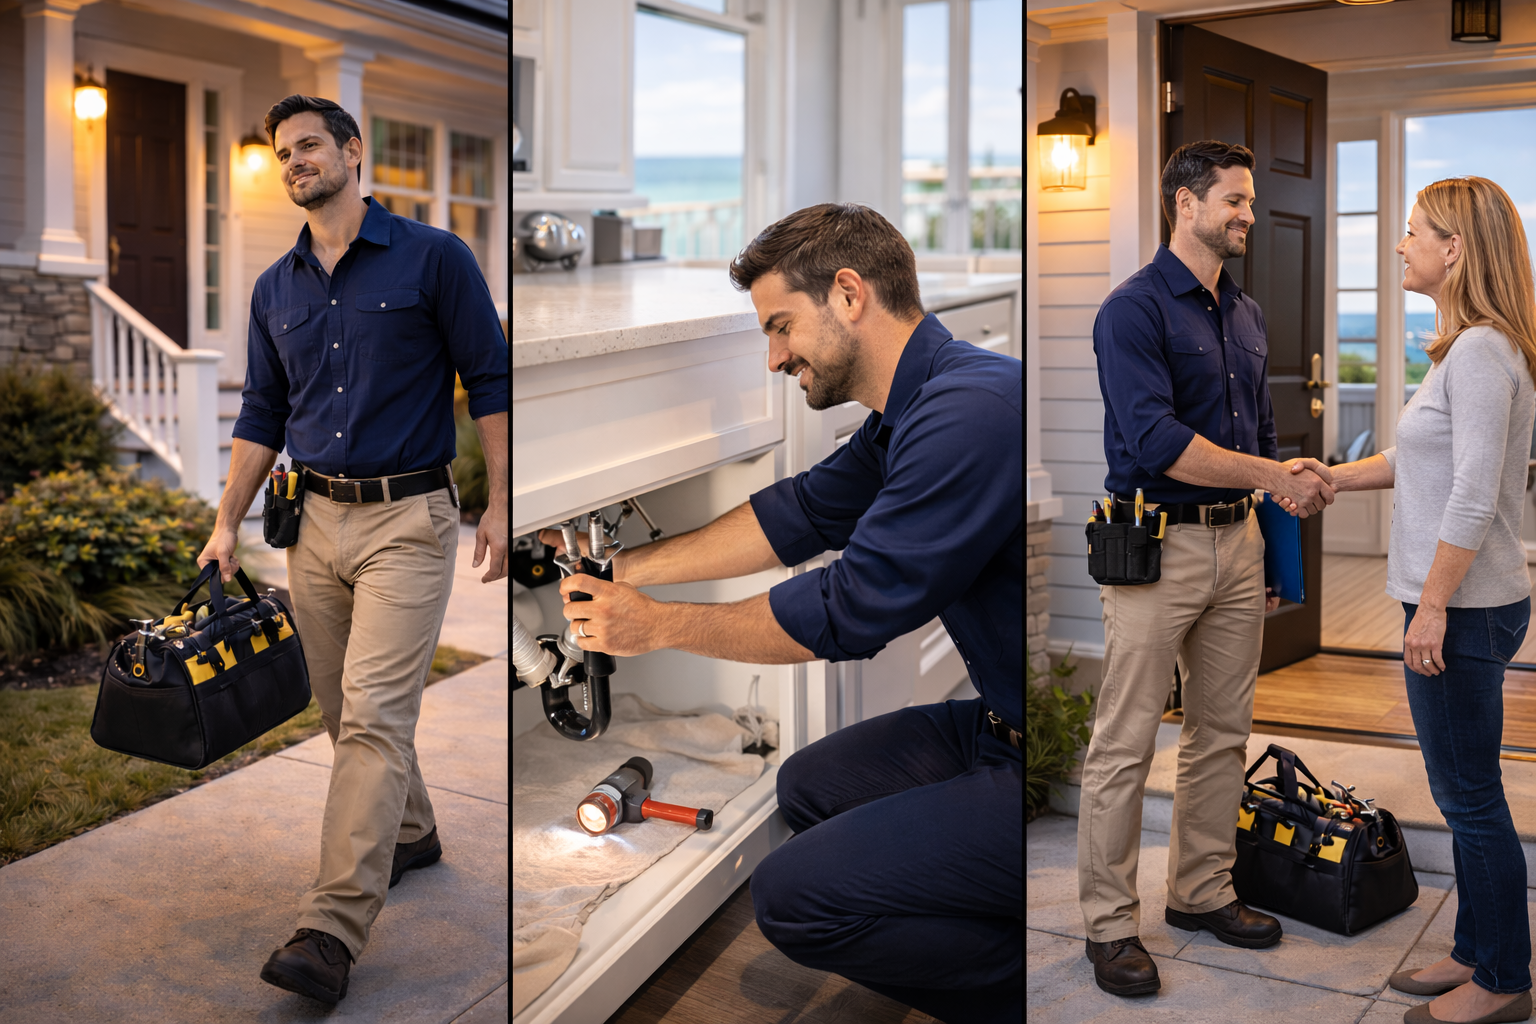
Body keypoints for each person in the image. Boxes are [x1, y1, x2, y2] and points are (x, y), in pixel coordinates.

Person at [537, 203, 1022, 1023]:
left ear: (848, 293)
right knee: (806, 787)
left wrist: (655, 626)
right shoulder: (917, 403)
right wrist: (621, 568)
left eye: (780, 326)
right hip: (995, 722)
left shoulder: (969, 415)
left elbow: (849, 611)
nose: (772, 357)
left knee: (791, 896)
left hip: (1043, 750)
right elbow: (800, 515)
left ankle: (1033, 983)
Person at [195, 94, 508, 1005]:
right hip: (313, 524)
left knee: (373, 716)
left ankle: (331, 929)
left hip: (408, 520)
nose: (295, 162)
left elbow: (488, 377)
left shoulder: (433, 258)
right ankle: (410, 833)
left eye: (309, 147)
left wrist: (504, 500)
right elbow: (263, 412)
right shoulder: (275, 287)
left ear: (352, 152)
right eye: (282, 154)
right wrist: (225, 521)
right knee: (340, 713)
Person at [1079, 139, 1338, 997]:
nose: (1249, 216)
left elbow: (1259, 431)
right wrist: (1274, 478)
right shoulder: (1132, 311)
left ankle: (1199, 892)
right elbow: (1155, 442)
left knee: (1220, 732)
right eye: (1234, 200)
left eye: (1252, 202)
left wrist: (1270, 539)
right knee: (1123, 746)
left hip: (1239, 547)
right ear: (1184, 204)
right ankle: (1110, 926)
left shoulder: (1247, 314)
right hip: (1157, 548)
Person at [1318, 176, 1536, 1024]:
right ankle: (1475, 951)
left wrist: (1434, 605)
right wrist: (1333, 478)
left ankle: (1505, 983)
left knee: (1469, 798)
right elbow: (1425, 462)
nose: (1401, 244)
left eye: (1413, 232)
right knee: (1465, 789)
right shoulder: (1467, 348)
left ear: (1455, 249)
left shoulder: (1482, 350)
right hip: (1470, 600)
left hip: (1466, 607)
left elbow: (1475, 493)